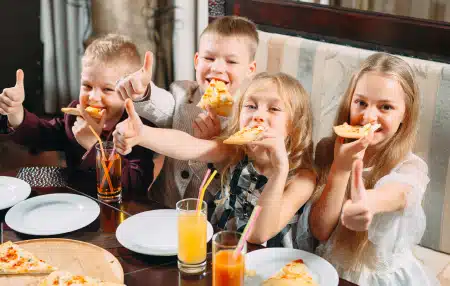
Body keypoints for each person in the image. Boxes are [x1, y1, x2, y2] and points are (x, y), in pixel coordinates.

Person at [113, 72, 316, 247]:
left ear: (294, 126)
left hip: (270, 267)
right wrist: (143, 134)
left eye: (274, 109)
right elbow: (189, 146)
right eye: (251, 106)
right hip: (221, 249)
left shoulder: (301, 178)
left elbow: (257, 234)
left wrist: (280, 171)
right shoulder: (235, 151)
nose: (258, 116)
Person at [305, 52, 439, 285]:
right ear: (350, 103)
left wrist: (367, 203)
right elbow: (320, 231)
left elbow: (397, 194)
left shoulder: (411, 168)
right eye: (361, 103)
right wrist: (340, 168)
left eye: (385, 107)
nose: (368, 116)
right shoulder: (328, 149)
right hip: (329, 270)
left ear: (404, 116)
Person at [114, 16, 259, 208]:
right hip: (161, 203)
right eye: (209, 58)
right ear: (197, 61)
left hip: (207, 219)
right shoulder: (182, 92)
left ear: (250, 69)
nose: (217, 68)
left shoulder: (247, 120)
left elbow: (234, 188)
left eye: (231, 61)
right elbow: (163, 107)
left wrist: (211, 147)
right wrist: (142, 91)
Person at [0, 34, 158, 194]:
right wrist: (15, 112)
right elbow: (41, 134)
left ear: (129, 92)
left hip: (118, 208)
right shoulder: (74, 114)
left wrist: (94, 146)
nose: (93, 98)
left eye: (108, 89)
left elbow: (136, 184)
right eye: (87, 86)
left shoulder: (138, 127)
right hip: (75, 200)